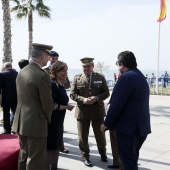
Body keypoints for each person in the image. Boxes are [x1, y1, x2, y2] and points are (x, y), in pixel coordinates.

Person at [100, 51, 151, 170]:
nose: (118, 67)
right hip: (140, 128)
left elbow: (116, 105)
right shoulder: (140, 76)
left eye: (117, 64)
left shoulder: (126, 78)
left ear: (122, 64)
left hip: (128, 130)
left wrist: (106, 124)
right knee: (132, 160)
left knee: (127, 162)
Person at [12, 43, 54, 170]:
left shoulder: (22, 71)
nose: (48, 59)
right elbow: (47, 104)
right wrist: (48, 118)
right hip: (36, 123)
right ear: (42, 56)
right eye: (47, 56)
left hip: (21, 121)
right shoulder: (42, 75)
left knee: (23, 156)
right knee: (36, 159)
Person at [70, 57, 110, 167]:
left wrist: (96, 98)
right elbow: (72, 94)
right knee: (83, 137)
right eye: (84, 66)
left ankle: (103, 153)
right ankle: (85, 157)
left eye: (88, 66)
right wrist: (84, 100)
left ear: (92, 66)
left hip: (97, 111)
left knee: (100, 135)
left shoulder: (100, 77)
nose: (86, 68)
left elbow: (106, 93)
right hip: (82, 112)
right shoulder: (77, 78)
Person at [46, 61, 74, 170]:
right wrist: (66, 107)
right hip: (52, 122)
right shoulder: (52, 85)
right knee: (51, 148)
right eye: (63, 70)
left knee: (56, 147)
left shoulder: (60, 85)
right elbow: (51, 106)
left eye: (66, 70)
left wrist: (66, 105)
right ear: (56, 72)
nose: (65, 73)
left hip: (58, 121)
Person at [44, 50, 70, 153]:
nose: (54, 60)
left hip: (59, 111)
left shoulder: (62, 70)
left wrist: (64, 78)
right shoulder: (45, 71)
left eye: (56, 58)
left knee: (59, 131)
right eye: (52, 58)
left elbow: (67, 85)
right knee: (52, 138)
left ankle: (60, 147)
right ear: (49, 58)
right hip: (52, 111)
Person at [0, 62, 18, 134]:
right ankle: (14, 128)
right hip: (16, 97)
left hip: (6, 98)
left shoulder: (2, 74)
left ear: (4, 67)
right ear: (11, 66)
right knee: (15, 113)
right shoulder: (17, 74)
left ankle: (7, 130)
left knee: (6, 114)